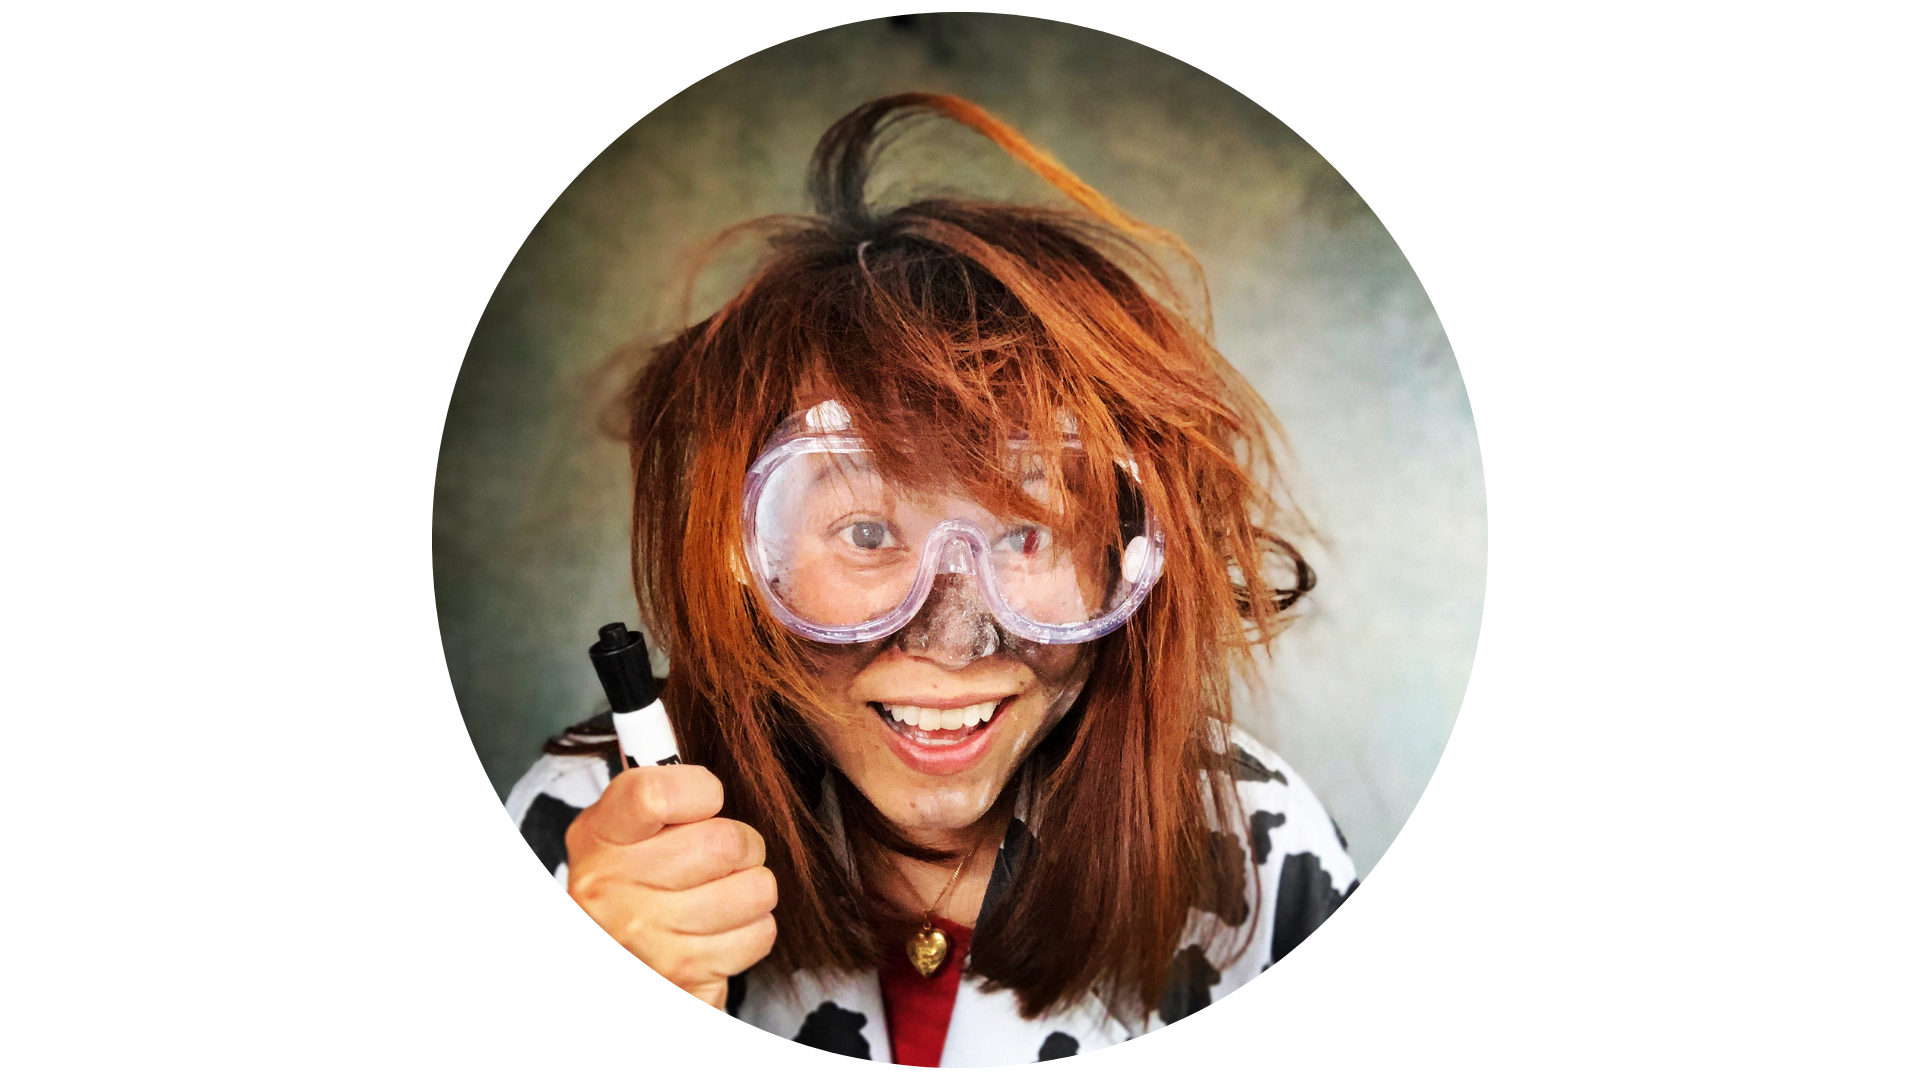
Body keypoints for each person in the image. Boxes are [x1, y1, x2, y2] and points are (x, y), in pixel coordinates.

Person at [505, 92, 1358, 1067]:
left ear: (1128, 555)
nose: (954, 640)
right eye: (868, 532)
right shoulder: (592, 843)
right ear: (741, 556)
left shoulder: (1256, 847)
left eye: (1030, 534)